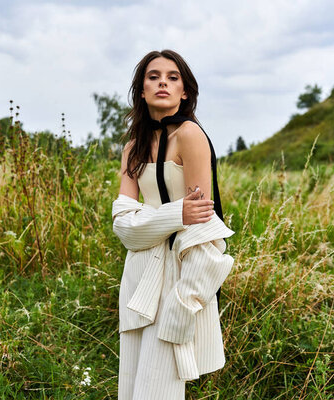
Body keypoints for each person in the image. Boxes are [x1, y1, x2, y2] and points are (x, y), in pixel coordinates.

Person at [112, 49, 235, 399]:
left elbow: (203, 229)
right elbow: (123, 227)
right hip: (137, 277)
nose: (162, 82)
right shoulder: (132, 147)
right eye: (153, 76)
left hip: (178, 278)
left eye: (172, 76)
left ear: (184, 92)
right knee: (133, 389)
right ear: (141, 90)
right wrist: (174, 215)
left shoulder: (190, 135)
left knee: (158, 391)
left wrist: (186, 301)